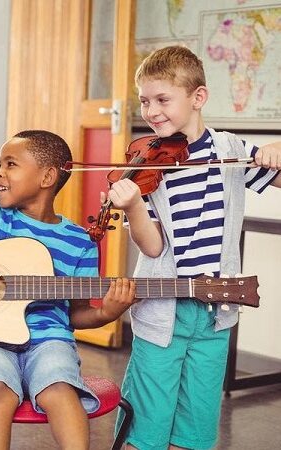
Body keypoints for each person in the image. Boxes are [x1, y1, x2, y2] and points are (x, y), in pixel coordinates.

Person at [0, 129, 136, 450]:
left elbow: (77, 315)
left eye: (11, 164)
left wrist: (107, 312)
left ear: (47, 176)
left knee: (59, 388)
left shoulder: (79, 241)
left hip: (49, 339)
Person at [105, 46, 281, 450]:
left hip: (216, 310)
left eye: (162, 99)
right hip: (163, 309)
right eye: (145, 101)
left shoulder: (230, 151)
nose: (151, 111)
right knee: (146, 422)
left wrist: (275, 153)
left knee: (197, 424)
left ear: (197, 98)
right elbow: (152, 247)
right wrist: (132, 204)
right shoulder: (148, 165)